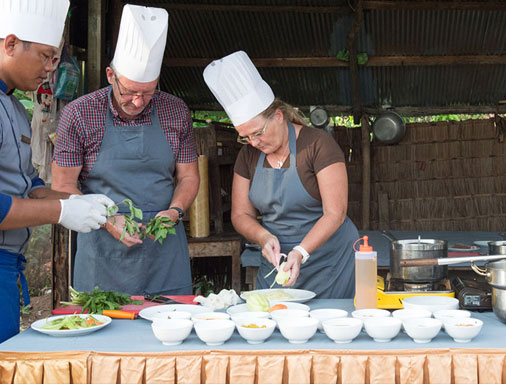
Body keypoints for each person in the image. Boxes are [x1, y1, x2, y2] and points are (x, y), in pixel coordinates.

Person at [52, 4, 199, 296]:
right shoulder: (79, 114)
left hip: (164, 250)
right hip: (101, 251)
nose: (137, 101)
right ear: (110, 75)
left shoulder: (176, 111)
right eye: (129, 91)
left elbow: (189, 177)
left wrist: (174, 210)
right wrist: (107, 220)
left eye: (148, 92)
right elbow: (62, 185)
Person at [0, 0, 114, 343]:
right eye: (45, 56)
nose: (51, 68)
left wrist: (79, 200)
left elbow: (29, 185)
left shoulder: (15, 108)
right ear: (10, 44)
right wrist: (62, 210)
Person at [203, 51, 359, 298]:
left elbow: (335, 213)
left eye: (258, 133)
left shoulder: (318, 145)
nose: (253, 142)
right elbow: (240, 214)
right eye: (245, 137)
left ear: (278, 117)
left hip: (328, 262)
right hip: (277, 263)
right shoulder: (248, 155)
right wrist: (263, 237)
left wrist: (301, 252)